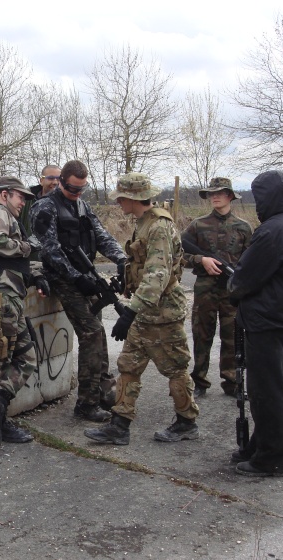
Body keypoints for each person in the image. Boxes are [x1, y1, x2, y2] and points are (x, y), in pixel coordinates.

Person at [84, 172, 198, 445]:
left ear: (132, 198)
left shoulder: (159, 227)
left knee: (175, 369)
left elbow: (157, 276)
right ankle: (119, 425)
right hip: (144, 313)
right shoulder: (144, 223)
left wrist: (130, 313)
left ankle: (186, 422)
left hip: (163, 314)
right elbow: (142, 266)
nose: (118, 203)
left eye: (121, 198)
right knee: (128, 366)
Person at [228, 170, 283, 477]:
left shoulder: (272, 231)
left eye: (260, 197)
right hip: (279, 313)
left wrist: (233, 286)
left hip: (265, 317)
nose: (258, 203)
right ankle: (259, 445)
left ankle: (271, 458)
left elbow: (245, 278)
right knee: (269, 386)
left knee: (266, 390)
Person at [31, 159, 126, 422]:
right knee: (91, 333)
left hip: (85, 275)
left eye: (82, 189)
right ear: (61, 181)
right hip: (62, 279)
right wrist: (75, 276)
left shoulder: (82, 205)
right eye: (73, 189)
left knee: (98, 331)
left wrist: (121, 258)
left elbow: (102, 235)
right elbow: (49, 249)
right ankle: (85, 403)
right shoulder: (45, 207)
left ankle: (103, 392)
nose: (78, 194)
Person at [0, 176, 50, 450]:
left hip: (6, 297)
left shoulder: (7, 215)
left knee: (15, 357)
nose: (23, 203)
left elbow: (13, 260)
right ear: (4, 194)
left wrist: (35, 274)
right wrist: (28, 247)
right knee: (3, 359)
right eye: (21, 197)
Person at [182, 177, 252, 398]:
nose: (215, 196)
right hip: (205, 288)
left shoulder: (243, 227)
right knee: (202, 334)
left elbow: (251, 259)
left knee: (232, 336)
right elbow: (178, 254)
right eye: (212, 193)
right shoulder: (197, 225)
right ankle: (199, 381)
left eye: (220, 192)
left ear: (230, 195)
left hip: (231, 290)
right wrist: (200, 260)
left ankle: (231, 381)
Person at [19, 164, 61, 237]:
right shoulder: (26, 200)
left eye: (58, 179)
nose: (55, 182)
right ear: (41, 181)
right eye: (51, 178)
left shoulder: (66, 204)